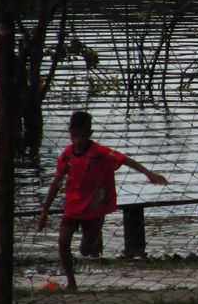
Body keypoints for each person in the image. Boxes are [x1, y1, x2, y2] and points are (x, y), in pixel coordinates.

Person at [37, 111, 168, 290]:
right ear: (69, 132)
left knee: (86, 250)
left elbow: (125, 160)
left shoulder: (100, 152)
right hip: (73, 206)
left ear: (89, 134)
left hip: (94, 207)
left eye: (82, 136)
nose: (77, 141)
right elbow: (56, 183)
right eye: (74, 136)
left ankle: (95, 235)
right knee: (63, 240)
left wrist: (148, 173)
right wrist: (45, 212)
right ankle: (71, 282)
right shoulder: (66, 155)